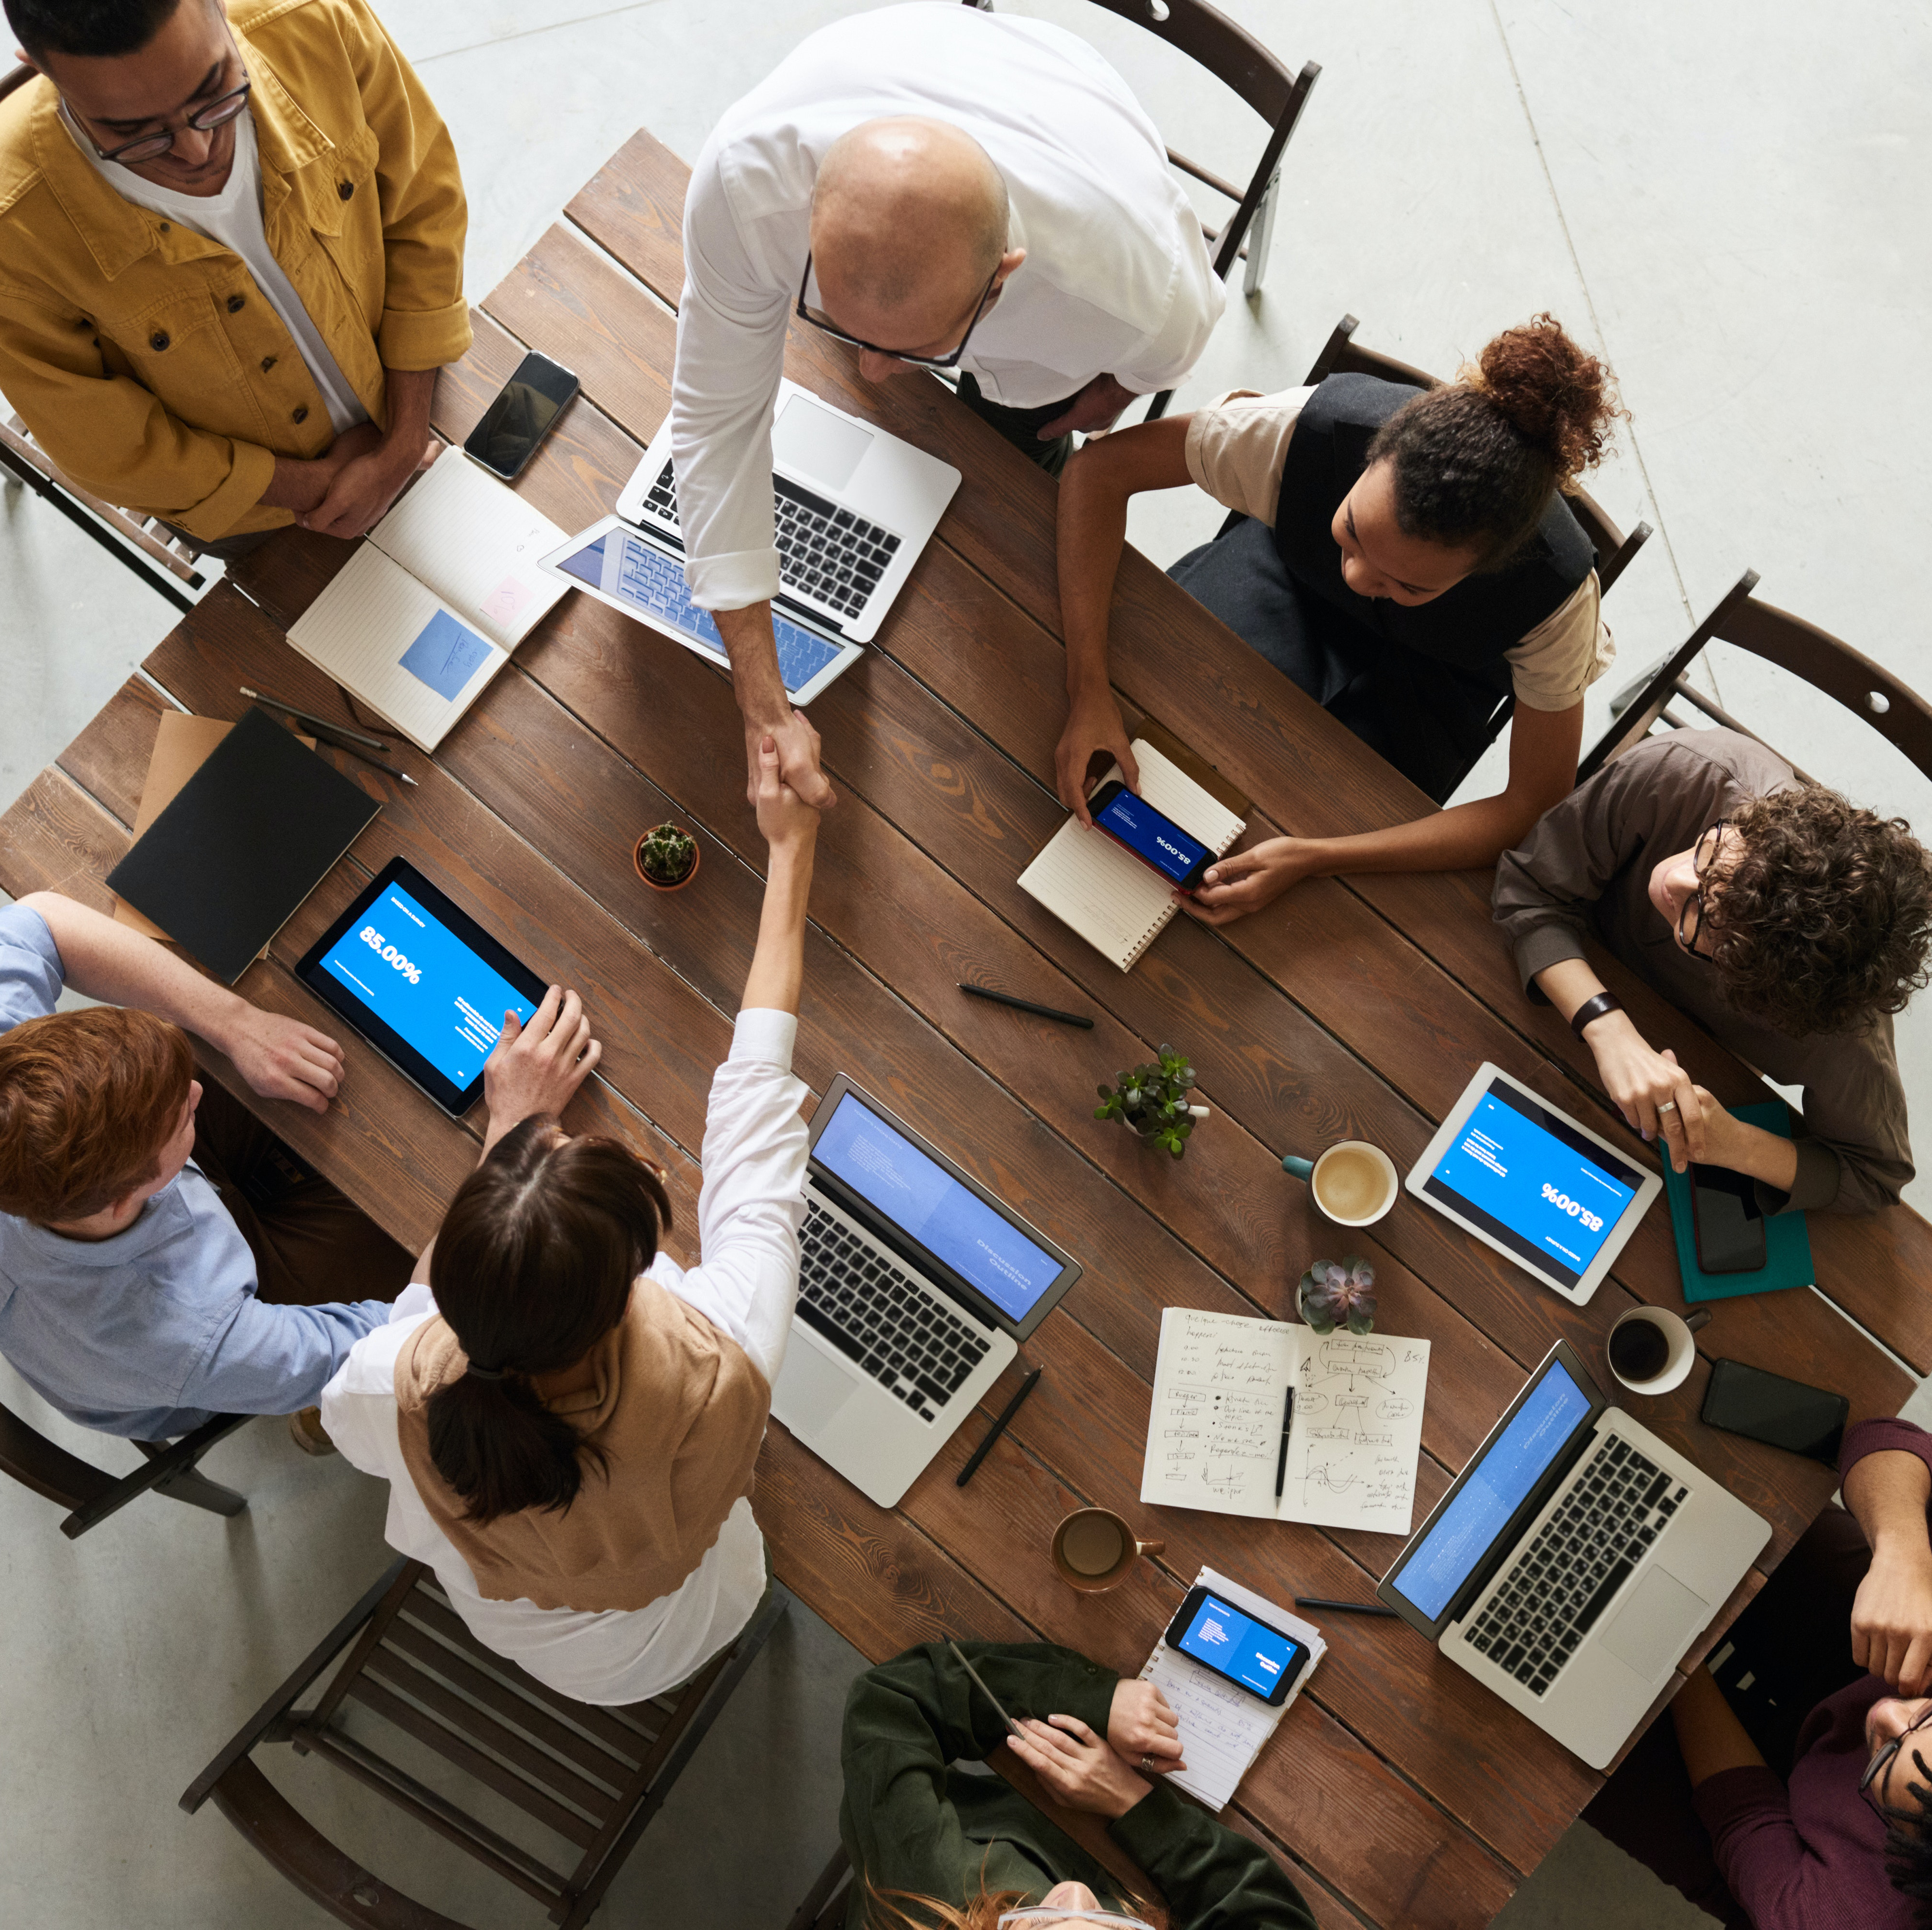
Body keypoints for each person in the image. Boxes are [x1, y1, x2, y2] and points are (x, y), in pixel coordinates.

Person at [322, 732, 820, 1702]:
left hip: (538, 1638)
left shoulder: (395, 1378)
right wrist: (795, 848)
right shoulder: (723, 1353)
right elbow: (759, 1101)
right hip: (685, 1617)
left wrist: (508, 1127)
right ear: (631, 1287)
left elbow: (386, 1370)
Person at [674, 1, 1224, 812]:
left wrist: (1106, 396)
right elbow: (716, 422)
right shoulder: (741, 182)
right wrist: (763, 698)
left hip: (1068, 127)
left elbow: (1151, 365)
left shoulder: (1134, 299)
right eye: (837, 321)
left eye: (909, 350)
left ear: (1003, 277)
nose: (870, 372)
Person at [1054, 315, 1624, 925]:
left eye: (1407, 582)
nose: (1357, 578)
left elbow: (1532, 802)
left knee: (1316, 853)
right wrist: (1087, 687)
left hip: (1435, 683)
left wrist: (1316, 858)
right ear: (1371, 457)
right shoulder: (1303, 431)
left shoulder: (1555, 599)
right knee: (1163, 719)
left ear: (1488, 569)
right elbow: (1098, 472)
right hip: (1285, 580)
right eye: (1353, 532)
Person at [0, 0, 470, 558]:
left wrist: (403, 440)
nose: (198, 150)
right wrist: (314, 489)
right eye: (134, 135)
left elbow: (424, 206)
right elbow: (106, 444)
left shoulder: (312, 20)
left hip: (417, 392)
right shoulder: (13, 227)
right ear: (38, 66)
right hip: (259, 513)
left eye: (215, 90)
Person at [0, 889, 414, 1442]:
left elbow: (41, 916)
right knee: (416, 1244)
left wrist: (236, 1024)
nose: (195, 1091)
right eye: (181, 1116)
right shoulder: (188, 1337)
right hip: (184, 1358)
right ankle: (316, 1419)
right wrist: (512, 1143)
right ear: (127, 1199)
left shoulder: (13, 1075)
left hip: (91, 1273)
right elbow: (400, 1349)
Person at [1492, 727, 1932, 1213]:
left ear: (1756, 987)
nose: (1675, 877)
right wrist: (1608, 1028)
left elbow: (1873, 1176)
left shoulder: (1842, 1027)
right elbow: (1530, 886)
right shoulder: (1686, 771)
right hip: (1533, 990)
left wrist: (1736, 1143)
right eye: (1712, 854)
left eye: (1703, 918)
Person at [1583, 1414, 1932, 1927]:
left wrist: (1674, 1646)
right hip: (1846, 1655)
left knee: (1576, 1729)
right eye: (1926, 1720)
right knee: (1733, 1505)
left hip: (1784, 1844)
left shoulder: (1840, 1914)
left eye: (1883, 1764)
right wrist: (1904, 1553)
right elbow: (1879, 1435)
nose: (1885, 1714)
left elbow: (1744, 1810)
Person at [840, 1639, 1317, 1929]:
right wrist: (1133, 1802)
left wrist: (1090, 1698)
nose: (1074, 1895)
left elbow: (891, 1705)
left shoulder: (928, 1886)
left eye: (1033, 1924)